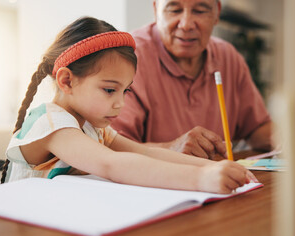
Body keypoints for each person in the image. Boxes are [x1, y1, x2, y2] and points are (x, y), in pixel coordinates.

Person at [0, 17, 257, 194]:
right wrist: (201, 179)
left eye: (126, 90)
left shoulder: (92, 126)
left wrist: (214, 167)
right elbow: (112, 164)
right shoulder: (52, 123)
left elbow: (143, 152)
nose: (120, 103)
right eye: (110, 90)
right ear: (66, 80)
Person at [110, 0, 272, 160]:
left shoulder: (228, 57)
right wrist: (171, 149)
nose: (186, 25)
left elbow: (257, 129)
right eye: (174, 10)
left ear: (216, 14)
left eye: (200, 11)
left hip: (217, 180)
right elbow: (110, 145)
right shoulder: (129, 57)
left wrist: (287, 139)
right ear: (156, 10)